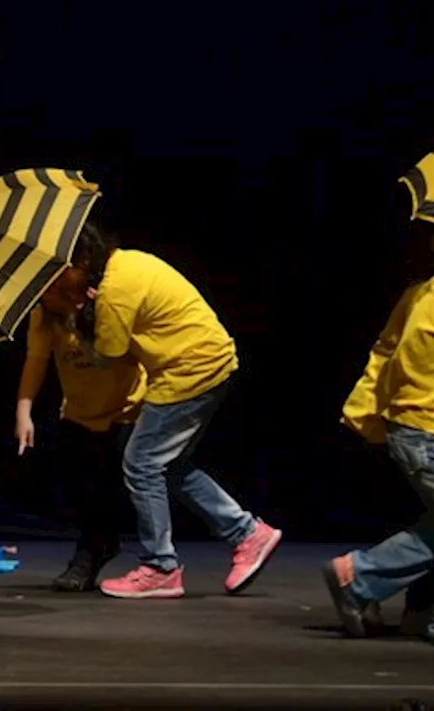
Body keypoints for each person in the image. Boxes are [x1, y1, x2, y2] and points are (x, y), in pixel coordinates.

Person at [44, 224, 282, 599]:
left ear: (82, 261)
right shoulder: (125, 264)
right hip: (203, 362)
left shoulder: (114, 291)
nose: (58, 281)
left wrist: (81, 313)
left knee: (140, 464)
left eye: (62, 271)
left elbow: (108, 355)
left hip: (189, 370)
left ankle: (160, 566)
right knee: (167, 465)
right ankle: (248, 533)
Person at [325, 222, 434, 645]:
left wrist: (366, 412)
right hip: (427, 431)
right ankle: (361, 577)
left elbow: (385, 351)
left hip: (409, 427)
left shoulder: (421, 292)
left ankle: (423, 608)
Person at [15, 304, 146, 592]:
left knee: (116, 483)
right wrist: (24, 412)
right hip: (80, 411)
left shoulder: (106, 301)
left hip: (126, 407)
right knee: (72, 480)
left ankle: (99, 553)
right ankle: (102, 542)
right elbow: (36, 360)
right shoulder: (45, 313)